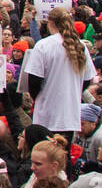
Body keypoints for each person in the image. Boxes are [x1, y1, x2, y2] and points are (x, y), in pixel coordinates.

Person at [25, 7, 95, 136]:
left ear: (51, 23)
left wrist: (41, 96)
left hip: (47, 114)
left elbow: (34, 81)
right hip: (69, 114)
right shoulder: (80, 45)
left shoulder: (43, 45)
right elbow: (87, 80)